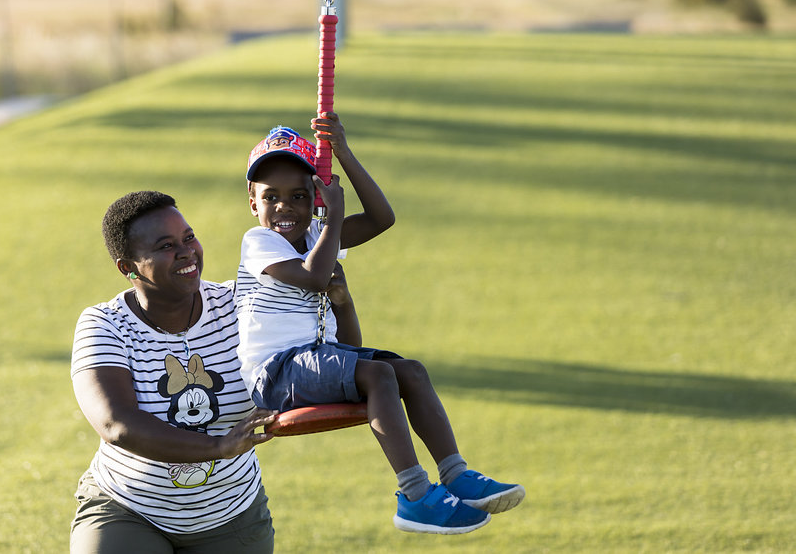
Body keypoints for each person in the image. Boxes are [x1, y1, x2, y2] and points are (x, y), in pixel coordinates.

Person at [235, 114, 525, 535]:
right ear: (252, 201)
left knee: (410, 371)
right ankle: (414, 495)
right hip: (275, 374)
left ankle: (456, 473)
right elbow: (314, 276)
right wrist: (333, 216)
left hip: (309, 362)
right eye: (271, 197)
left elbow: (381, 218)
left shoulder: (318, 233)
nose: (284, 207)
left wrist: (345, 154)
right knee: (378, 374)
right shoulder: (259, 242)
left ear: (315, 194)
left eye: (299, 196)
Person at [70, 191, 278, 553]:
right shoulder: (104, 323)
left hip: (231, 513)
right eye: (166, 245)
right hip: (129, 509)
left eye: (188, 237)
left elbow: (314, 365)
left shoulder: (240, 306)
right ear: (128, 267)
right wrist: (219, 446)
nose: (186, 251)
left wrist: (339, 301)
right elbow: (115, 423)